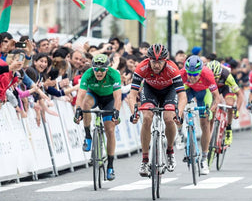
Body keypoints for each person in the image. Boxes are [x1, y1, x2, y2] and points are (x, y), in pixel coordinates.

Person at [127, 44, 187, 177]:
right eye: (153, 61)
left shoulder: (172, 68)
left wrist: (179, 113)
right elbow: (132, 95)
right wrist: (134, 113)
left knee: (169, 118)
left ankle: (170, 151)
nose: (156, 65)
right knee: (147, 117)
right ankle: (144, 160)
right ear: (149, 60)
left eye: (160, 62)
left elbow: (183, 96)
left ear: (165, 60)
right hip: (150, 90)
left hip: (169, 92)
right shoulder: (142, 67)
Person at [73, 54, 122, 180]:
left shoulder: (114, 74)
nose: (99, 72)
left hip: (109, 99)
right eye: (96, 69)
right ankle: (88, 136)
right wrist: (78, 110)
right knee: (85, 104)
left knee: (109, 130)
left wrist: (116, 111)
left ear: (107, 69)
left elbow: (117, 97)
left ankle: (110, 166)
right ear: (92, 68)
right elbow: (80, 95)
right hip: (94, 95)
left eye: (102, 70)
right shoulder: (88, 74)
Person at [180, 55, 220, 175]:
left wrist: (211, 109)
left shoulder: (207, 74)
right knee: (179, 106)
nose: (191, 78)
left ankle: (204, 159)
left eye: (195, 75)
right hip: (189, 90)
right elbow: (175, 94)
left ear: (200, 72)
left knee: (205, 123)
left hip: (203, 93)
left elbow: (216, 97)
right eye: (189, 75)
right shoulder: (181, 74)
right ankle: (179, 134)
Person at [206, 60, 245, 145]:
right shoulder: (205, 74)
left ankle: (228, 129)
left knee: (230, 104)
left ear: (220, 74)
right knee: (211, 114)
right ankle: (208, 140)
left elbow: (240, 95)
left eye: (217, 77)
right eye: (213, 77)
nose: (215, 79)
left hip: (225, 87)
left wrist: (237, 110)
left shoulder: (226, 75)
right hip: (212, 89)